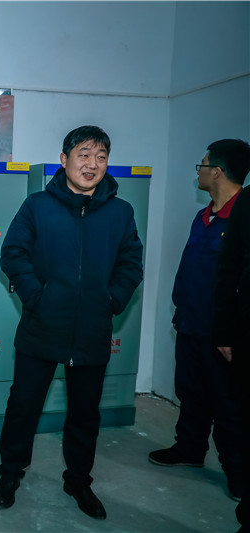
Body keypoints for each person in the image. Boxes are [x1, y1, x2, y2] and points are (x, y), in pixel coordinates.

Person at [0, 125, 143, 520]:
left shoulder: (120, 212)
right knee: (23, 405)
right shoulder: (38, 206)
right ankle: (10, 473)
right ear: (64, 160)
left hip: (92, 328)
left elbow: (131, 263)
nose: (92, 164)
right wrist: (37, 297)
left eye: (101, 157)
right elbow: (13, 253)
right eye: (84, 155)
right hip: (42, 325)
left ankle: (78, 480)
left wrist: (112, 300)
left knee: (85, 412)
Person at [149, 139, 250, 502]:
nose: (200, 171)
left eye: (203, 165)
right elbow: (190, 269)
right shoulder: (204, 216)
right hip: (191, 324)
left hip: (222, 334)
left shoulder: (241, 219)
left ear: (217, 172)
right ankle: (189, 448)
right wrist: (180, 310)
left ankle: (239, 473)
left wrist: (231, 333)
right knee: (190, 392)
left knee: (227, 404)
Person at [213, 139, 250, 533]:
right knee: (223, 402)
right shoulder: (245, 206)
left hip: (224, 325)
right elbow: (229, 270)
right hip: (225, 327)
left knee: (228, 405)